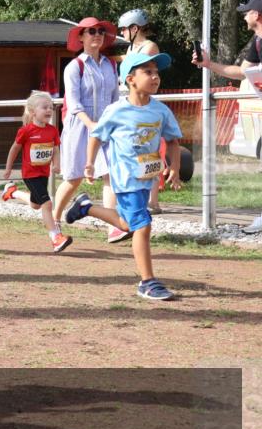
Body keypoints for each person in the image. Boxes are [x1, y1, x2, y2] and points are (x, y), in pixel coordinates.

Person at [65, 52, 182, 300]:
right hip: (125, 179)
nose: (155, 77)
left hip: (146, 179)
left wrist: (175, 168)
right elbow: (96, 135)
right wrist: (88, 163)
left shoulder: (160, 111)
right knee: (143, 225)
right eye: (148, 72)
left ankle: (86, 207)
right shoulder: (116, 110)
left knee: (128, 225)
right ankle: (148, 282)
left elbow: (172, 141)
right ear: (130, 79)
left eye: (157, 72)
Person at [192, 0, 262, 236]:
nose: (244, 15)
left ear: (258, 15)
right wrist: (208, 64)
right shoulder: (257, 41)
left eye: (247, 11)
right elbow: (242, 72)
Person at [52, 17, 126, 243]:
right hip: (80, 127)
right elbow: (73, 104)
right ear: (81, 37)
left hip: (105, 127)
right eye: (91, 31)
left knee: (111, 175)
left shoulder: (111, 64)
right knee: (74, 178)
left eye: (101, 31)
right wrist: (91, 124)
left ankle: (114, 227)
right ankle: (54, 222)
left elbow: (115, 99)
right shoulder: (75, 66)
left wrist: (114, 123)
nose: (97, 34)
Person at [1, 91, 72, 252]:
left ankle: (12, 192)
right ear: (33, 112)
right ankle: (55, 238)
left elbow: (55, 150)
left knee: (36, 204)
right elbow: (14, 149)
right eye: (45, 107)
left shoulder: (52, 130)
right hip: (30, 174)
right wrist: (8, 167)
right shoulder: (26, 131)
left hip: (44, 173)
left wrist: (56, 164)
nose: (49, 110)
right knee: (47, 203)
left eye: (51, 107)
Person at [118, 8, 163, 213]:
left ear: (135, 28)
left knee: (149, 150)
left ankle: (153, 200)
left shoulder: (149, 47)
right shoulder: (131, 48)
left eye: (124, 30)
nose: (122, 33)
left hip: (144, 103)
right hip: (130, 102)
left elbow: (133, 68)